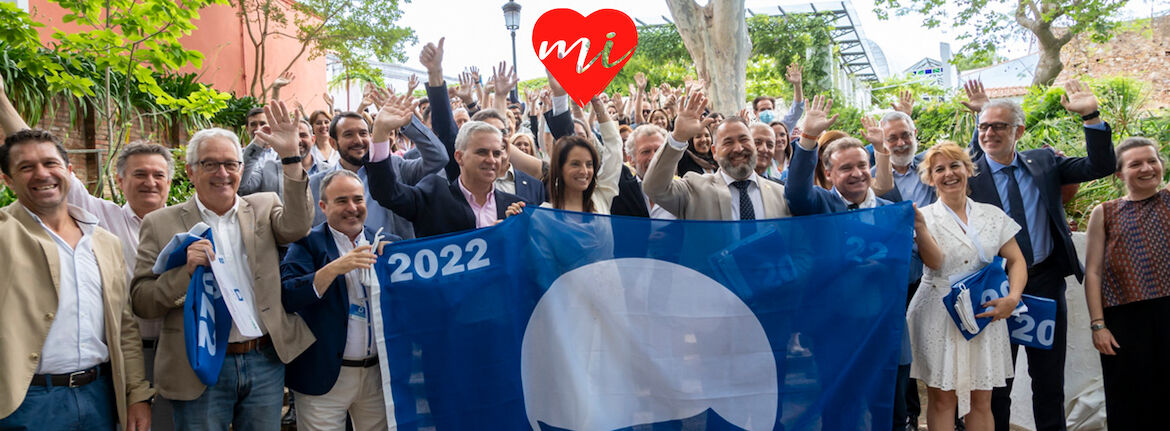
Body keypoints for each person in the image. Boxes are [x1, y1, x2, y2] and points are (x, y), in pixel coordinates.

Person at [0, 75, 174, 430]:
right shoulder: (6, 234)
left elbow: (123, 325)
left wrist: (136, 393)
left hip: (100, 393)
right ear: (7, 180)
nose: (42, 174)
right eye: (26, 167)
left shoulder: (102, 240)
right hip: (28, 401)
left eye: (51, 164)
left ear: (68, 170)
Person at [130, 102, 315, 430]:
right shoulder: (160, 223)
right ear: (190, 171)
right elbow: (143, 301)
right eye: (210, 164)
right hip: (198, 365)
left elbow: (298, 226)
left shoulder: (263, 206)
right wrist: (184, 272)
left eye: (231, 164)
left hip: (263, 360)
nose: (222, 173)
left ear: (242, 169)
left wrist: (291, 158)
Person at [965, 80, 1116, 431]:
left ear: (1018, 130)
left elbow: (1101, 166)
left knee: (1048, 382)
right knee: (998, 384)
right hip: (994, 289)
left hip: (1045, 285)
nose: (989, 133)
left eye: (998, 126)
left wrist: (1091, 117)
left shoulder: (1044, 162)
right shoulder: (968, 174)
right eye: (983, 127)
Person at [909, 141, 1028, 431]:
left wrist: (1013, 298)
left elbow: (1016, 260)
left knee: (982, 399)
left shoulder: (992, 214)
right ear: (930, 177)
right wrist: (921, 229)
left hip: (984, 310)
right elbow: (935, 262)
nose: (949, 174)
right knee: (942, 399)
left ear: (968, 169)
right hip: (939, 309)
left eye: (955, 165)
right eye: (939, 169)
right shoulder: (924, 216)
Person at [281, 169, 400, 431]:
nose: (352, 208)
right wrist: (335, 267)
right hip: (324, 375)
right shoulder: (307, 243)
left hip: (377, 376)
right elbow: (289, 295)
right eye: (342, 201)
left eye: (358, 200)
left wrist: (395, 263)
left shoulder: (388, 245)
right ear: (323, 206)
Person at [1082, 137, 1170, 430]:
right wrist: (1098, 325)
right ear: (1119, 174)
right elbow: (1093, 272)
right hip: (1124, 321)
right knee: (1130, 401)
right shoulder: (1104, 212)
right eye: (1135, 164)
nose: (1147, 168)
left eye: (1152, 160)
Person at [306, 91, 449, 240]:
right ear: (333, 143)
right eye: (348, 135)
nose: (358, 140)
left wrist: (408, 122)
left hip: (394, 258)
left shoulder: (396, 168)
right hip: (343, 261)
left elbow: (438, 158)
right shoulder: (317, 184)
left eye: (363, 133)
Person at [642, 87, 791, 220]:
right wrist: (678, 137)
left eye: (744, 139)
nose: (738, 148)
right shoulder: (693, 190)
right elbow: (654, 188)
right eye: (728, 142)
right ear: (714, 151)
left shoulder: (781, 194)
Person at [365, 118, 523, 237]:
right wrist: (380, 132)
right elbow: (387, 193)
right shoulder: (433, 197)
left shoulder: (516, 207)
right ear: (459, 157)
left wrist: (513, 235)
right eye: (482, 152)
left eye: (496, 153)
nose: (491, 160)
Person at [786, 96, 893, 214]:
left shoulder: (890, 210)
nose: (857, 174)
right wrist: (808, 136)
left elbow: (883, 184)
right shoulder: (820, 204)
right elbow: (797, 193)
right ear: (828, 174)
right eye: (846, 168)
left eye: (862, 165)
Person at [531, 96, 621, 214]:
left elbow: (614, 146)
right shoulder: (544, 214)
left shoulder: (600, 197)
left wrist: (596, 102)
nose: (584, 171)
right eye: (575, 164)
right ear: (559, 168)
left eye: (589, 164)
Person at [610, 124, 676, 219]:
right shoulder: (620, 192)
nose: (653, 157)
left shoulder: (682, 193)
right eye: (646, 151)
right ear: (631, 159)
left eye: (659, 150)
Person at [241, 118, 318, 196]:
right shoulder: (268, 169)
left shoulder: (326, 171)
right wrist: (258, 143)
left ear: (313, 140)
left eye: (303, 135)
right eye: (291, 136)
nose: (297, 140)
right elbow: (242, 187)